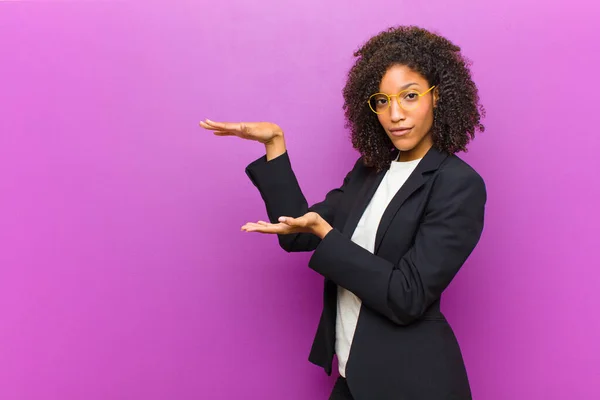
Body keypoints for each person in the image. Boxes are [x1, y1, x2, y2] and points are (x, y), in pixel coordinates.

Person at [200, 25, 486, 400]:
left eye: (410, 96)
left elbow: (407, 296)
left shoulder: (457, 184)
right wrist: (275, 145)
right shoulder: (370, 171)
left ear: (439, 98)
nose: (395, 114)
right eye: (382, 101)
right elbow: (299, 232)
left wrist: (328, 236)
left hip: (414, 383)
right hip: (355, 380)